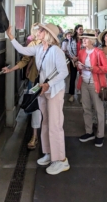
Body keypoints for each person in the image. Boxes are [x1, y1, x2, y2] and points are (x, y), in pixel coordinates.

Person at [5, 23, 70, 175]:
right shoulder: (39, 48)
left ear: (47, 34)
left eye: (41, 30)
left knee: (55, 124)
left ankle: (60, 160)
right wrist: (11, 37)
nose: (38, 32)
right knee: (45, 122)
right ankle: (49, 153)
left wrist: (49, 83)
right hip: (43, 89)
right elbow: (22, 50)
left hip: (54, 90)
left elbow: (64, 72)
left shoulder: (56, 51)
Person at [2, 23, 42, 150]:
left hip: (49, 82)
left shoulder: (53, 46)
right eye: (36, 31)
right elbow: (24, 59)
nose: (38, 33)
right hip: (35, 80)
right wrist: (11, 69)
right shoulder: (33, 45)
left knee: (49, 108)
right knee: (35, 106)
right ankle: (35, 136)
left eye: (40, 31)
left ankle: (48, 136)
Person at [76, 29, 107, 148]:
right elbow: (79, 69)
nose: (83, 41)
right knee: (86, 108)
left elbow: (106, 68)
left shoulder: (99, 52)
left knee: (99, 109)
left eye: (85, 39)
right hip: (84, 83)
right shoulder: (81, 52)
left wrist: (93, 69)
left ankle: (100, 135)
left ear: (91, 40)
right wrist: (78, 66)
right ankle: (89, 132)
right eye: (82, 39)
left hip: (96, 84)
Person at [67, 24, 84, 102]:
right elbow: (69, 49)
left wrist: (79, 58)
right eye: (80, 29)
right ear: (76, 30)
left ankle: (82, 95)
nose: (81, 30)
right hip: (73, 60)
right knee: (72, 78)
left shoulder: (84, 38)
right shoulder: (72, 38)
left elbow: (85, 49)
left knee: (82, 78)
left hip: (82, 60)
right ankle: (71, 95)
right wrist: (74, 58)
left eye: (82, 29)